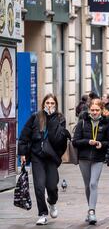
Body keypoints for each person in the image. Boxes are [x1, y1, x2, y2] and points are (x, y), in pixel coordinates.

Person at [18, 94, 70, 225]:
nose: (50, 105)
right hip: (37, 157)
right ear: (43, 104)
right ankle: (42, 213)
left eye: (52, 103)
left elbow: (57, 139)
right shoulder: (36, 117)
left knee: (52, 187)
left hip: (51, 157)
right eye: (48, 103)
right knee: (39, 186)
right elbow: (24, 135)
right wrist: (23, 153)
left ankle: (52, 202)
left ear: (56, 105)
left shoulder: (59, 118)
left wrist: (51, 118)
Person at [73, 98, 109, 224]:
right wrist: (87, 142)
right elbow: (75, 141)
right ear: (89, 110)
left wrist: (102, 144)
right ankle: (90, 209)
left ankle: (92, 211)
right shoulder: (82, 122)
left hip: (98, 158)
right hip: (84, 158)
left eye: (97, 110)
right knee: (87, 185)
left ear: (102, 110)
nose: (94, 112)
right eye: (92, 110)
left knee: (93, 184)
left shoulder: (106, 124)